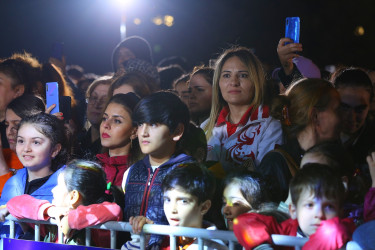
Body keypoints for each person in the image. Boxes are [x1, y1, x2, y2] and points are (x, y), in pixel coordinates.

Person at [121, 91, 194, 247]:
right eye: (141, 124)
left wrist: (154, 228)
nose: (144, 133)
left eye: (153, 124)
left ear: (177, 131)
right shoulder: (132, 171)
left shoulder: (188, 171)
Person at [1, 160, 123, 247]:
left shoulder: (98, 230)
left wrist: (71, 219)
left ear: (73, 196)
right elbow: (17, 202)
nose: (53, 190)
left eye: (58, 186)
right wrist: (48, 210)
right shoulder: (53, 220)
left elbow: (114, 210)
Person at [233, 164, 355, 249]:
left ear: (340, 212)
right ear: (293, 211)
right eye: (309, 205)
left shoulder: (343, 231)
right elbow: (243, 222)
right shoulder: (288, 230)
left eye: (329, 206)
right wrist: (262, 247)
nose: (319, 214)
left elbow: (333, 231)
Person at [258, 78, 342, 202]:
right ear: (315, 116)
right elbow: (269, 218)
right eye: (337, 110)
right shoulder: (275, 163)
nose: (343, 117)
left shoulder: (337, 156)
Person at [202, 47, 283, 172]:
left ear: (256, 81)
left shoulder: (270, 127)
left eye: (243, 75)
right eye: (227, 75)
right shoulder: (206, 126)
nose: (234, 82)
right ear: (218, 82)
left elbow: (265, 180)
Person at [129, 163, 228, 250]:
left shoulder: (215, 247)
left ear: (204, 207)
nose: (172, 209)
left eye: (183, 201)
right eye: (167, 200)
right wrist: (139, 238)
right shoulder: (166, 239)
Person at [331, 67, 375, 187]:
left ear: (370, 105)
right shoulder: (318, 137)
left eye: (360, 109)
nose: (352, 117)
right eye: (344, 107)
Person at [0, 95, 45, 195]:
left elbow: (16, 203)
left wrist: (2, 166)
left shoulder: (41, 160)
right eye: (7, 125)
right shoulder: (5, 154)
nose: (9, 132)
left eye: (16, 125)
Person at [96, 93, 142, 188]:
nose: (106, 125)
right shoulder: (94, 167)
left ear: (134, 131)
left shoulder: (140, 175)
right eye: (104, 118)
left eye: (117, 121)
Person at [77, 76, 112, 158]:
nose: (97, 104)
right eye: (94, 98)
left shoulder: (113, 149)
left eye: (104, 100)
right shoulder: (77, 141)